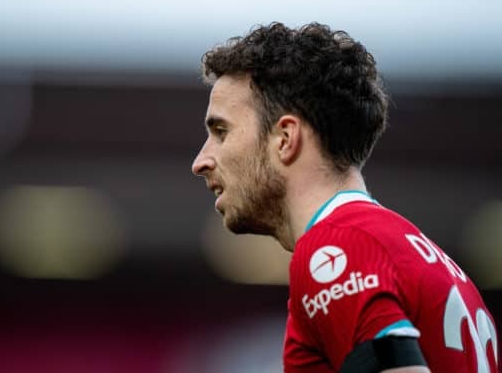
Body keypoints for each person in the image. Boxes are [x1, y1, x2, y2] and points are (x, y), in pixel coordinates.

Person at [191, 22, 498, 372]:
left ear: (285, 139)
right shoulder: (423, 257)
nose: (200, 162)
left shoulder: (337, 249)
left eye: (221, 131)